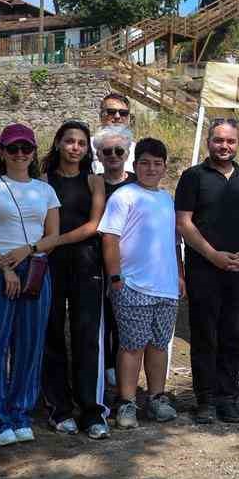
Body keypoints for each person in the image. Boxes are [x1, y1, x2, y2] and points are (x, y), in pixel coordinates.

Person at [176, 119, 239, 425]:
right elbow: (184, 223)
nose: (225, 146)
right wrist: (212, 255)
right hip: (204, 269)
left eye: (230, 141)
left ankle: (228, 398)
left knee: (233, 335)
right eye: (219, 140)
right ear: (209, 141)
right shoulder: (193, 177)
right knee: (204, 335)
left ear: (237, 143)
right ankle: (204, 399)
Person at [0, 124, 60, 446]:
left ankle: (20, 413)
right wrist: (5, 267)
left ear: (34, 152)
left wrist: (30, 250)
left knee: (30, 346)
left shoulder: (45, 190)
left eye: (26, 148)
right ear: (2, 153)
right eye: (13, 149)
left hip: (35, 270)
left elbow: (53, 235)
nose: (20, 154)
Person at [99, 138, 180, 428]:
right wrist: (116, 277)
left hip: (166, 286)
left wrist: (179, 275)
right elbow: (110, 237)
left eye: (157, 164)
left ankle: (156, 398)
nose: (150, 168)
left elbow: (173, 240)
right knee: (132, 346)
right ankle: (127, 402)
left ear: (164, 168)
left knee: (159, 345)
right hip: (132, 284)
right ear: (135, 166)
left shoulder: (167, 199)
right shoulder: (124, 196)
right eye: (144, 163)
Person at [39, 121, 109, 439]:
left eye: (81, 143)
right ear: (58, 144)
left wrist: (57, 240)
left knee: (86, 336)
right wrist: (47, 246)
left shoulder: (94, 181)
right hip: (49, 266)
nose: (75, 148)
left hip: (86, 265)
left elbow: (95, 224)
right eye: (69, 141)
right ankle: (59, 409)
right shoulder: (43, 180)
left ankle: (92, 412)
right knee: (51, 334)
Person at [94, 125, 136, 399]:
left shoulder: (137, 183)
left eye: (118, 150)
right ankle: (104, 367)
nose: (113, 155)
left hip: (131, 265)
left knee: (126, 321)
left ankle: (123, 376)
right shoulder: (92, 183)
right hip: (95, 261)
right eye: (106, 151)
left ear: (127, 152)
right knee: (101, 318)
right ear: (98, 154)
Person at [91, 94, 135, 174]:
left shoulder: (136, 149)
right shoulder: (86, 147)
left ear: (128, 117)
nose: (117, 116)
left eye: (123, 113)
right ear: (101, 116)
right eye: (111, 112)